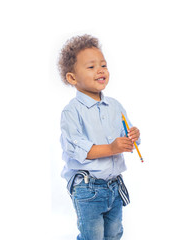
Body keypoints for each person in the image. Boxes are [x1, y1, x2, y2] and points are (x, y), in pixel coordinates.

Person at [58, 34, 141, 240]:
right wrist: (112, 148)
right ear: (72, 78)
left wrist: (133, 136)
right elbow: (78, 151)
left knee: (114, 234)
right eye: (91, 67)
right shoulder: (72, 112)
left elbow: (127, 138)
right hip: (88, 189)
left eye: (103, 65)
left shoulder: (115, 106)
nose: (100, 70)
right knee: (92, 236)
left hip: (114, 185)